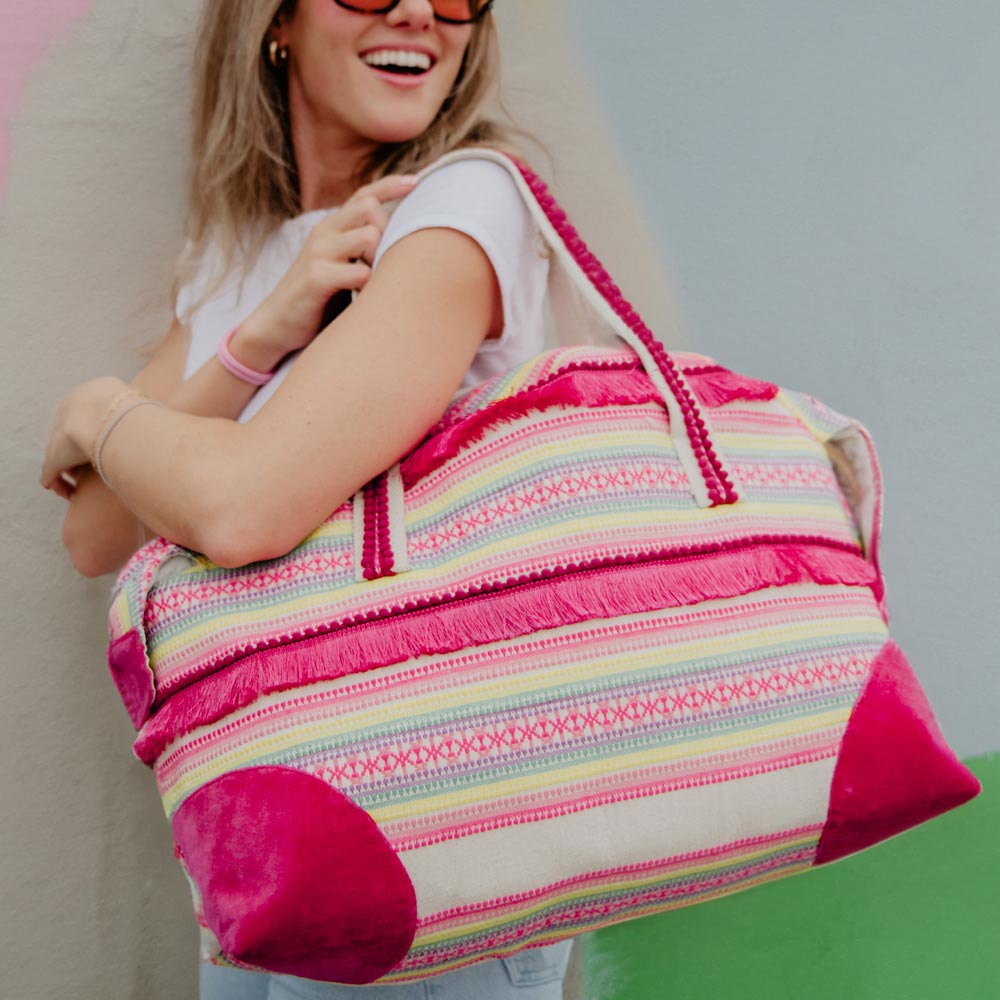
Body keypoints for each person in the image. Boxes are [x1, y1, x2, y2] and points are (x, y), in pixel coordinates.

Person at [40, 0, 573, 997]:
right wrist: (259, 336)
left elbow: (243, 508)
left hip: (427, 830)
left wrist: (99, 407)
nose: (420, 10)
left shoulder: (462, 203)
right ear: (276, 21)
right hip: (261, 838)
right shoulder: (242, 253)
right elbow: (97, 527)